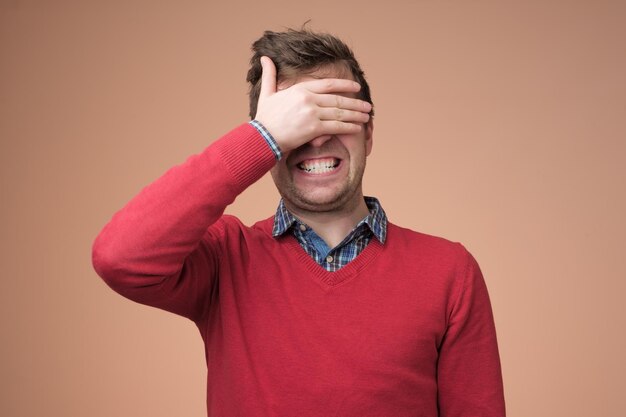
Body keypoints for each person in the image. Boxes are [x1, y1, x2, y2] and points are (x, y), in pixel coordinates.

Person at [92, 28, 505, 417]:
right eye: (297, 122)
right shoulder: (226, 258)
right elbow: (119, 257)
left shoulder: (449, 271)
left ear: (369, 134)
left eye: (334, 115)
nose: (317, 139)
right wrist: (262, 138)